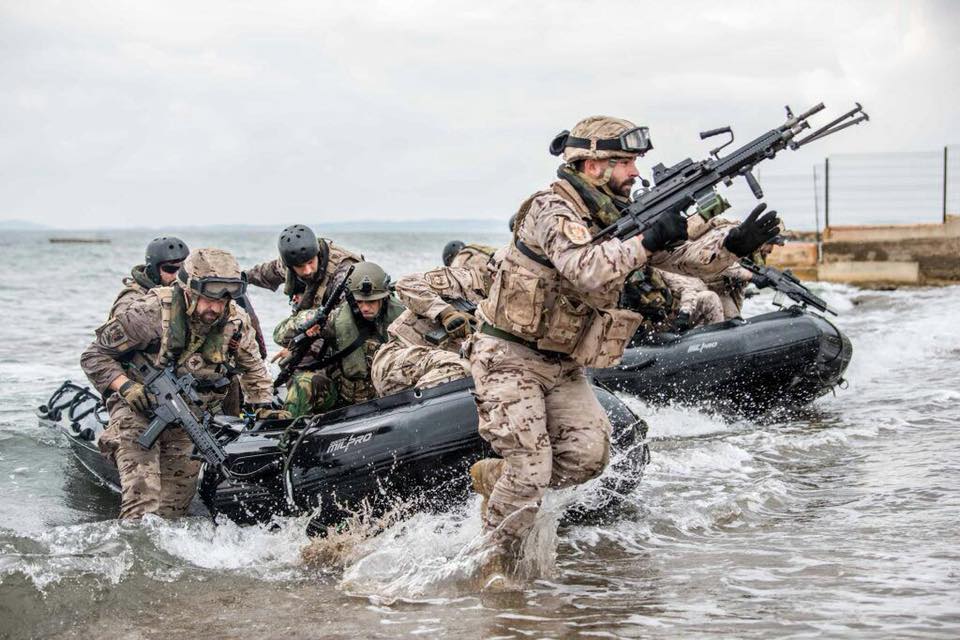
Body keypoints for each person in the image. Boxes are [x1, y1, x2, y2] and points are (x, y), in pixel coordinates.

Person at [466, 115, 781, 587]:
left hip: (563, 362)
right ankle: (492, 575)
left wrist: (734, 245)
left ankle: (500, 480)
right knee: (531, 475)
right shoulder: (553, 208)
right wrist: (649, 238)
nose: (635, 172)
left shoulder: (613, 213)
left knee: (589, 456)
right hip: (510, 355)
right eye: (626, 162)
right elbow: (586, 269)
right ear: (592, 164)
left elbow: (682, 259)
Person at [80, 249, 281, 520]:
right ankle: (129, 557)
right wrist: (126, 387)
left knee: (174, 512)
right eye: (208, 300)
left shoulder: (235, 322)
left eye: (223, 301)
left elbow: (254, 369)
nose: (215, 309)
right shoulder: (150, 312)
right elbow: (94, 356)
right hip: (137, 411)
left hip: (189, 421)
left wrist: (264, 408)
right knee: (142, 503)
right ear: (188, 290)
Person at [277, 261, 405, 416]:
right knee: (305, 382)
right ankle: (289, 431)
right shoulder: (336, 319)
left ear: (383, 299)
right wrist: (309, 320)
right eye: (359, 302)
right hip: (342, 398)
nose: (365, 308)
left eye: (371, 302)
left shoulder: (404, 320)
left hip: (388, 398)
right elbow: (279, 334)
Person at [371, 265, 489, 397]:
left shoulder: (507, 316)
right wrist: (446, 313)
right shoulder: (471, 280)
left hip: (433, 369)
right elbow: (407, 283)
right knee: (465, 369)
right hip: (395, 360)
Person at [246, 225, 362, 312]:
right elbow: (265, 273)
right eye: (300, 266)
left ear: (317, 254)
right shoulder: (288, 265)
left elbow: (350, 314)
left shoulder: (343, 271)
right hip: (311, 323)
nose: (307, 270)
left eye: (310, 262)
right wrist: (241, 277)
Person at [109, 236, 189, 319]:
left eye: (184, 269)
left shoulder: (188, 291)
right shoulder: (131, 299)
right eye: (170, 269)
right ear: (154, 270)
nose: (178, 275)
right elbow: (123, 320)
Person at [657, 269, 724, 331]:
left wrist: (684, 314)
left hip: (681, 313)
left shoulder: (661, 270)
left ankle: (715, 336)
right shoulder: (655, 270)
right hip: (664, 324)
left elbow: (687, 289)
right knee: (710, 298)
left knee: (710, 299)